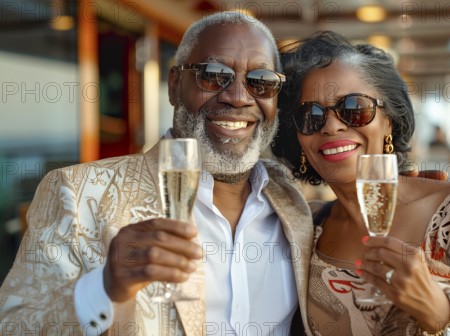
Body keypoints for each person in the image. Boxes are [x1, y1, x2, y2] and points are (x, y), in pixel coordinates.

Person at [0, 12, 315, 335]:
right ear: (175, 85)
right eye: (213, 75)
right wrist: (105, 287)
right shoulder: (78, 193)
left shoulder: (291, 201)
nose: (238, 97)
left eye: (261, 82)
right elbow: (14, 326)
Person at [272, 31, 450, 335]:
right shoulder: (305, 227)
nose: (331, 125)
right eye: (310, 115)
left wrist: (440, 313)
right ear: (297, 137)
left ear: (388, 119)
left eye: (353, 108)